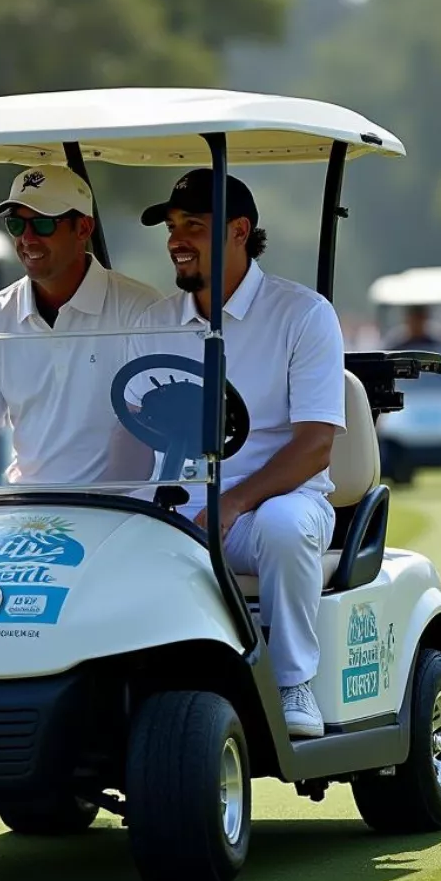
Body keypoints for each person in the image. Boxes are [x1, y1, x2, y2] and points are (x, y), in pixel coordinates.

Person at [133, 168, 345, 739]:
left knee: (283, 524)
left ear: (239, 230)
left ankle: (293, 680)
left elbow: (316, 445)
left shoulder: (302, 315)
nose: (177, 240)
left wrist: (230, 504)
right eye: (173, 227)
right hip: (179, 505)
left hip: (271, 506)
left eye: (194, 227)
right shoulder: (154, 322)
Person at [0, 165, 160, 486]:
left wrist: (103, 504)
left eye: (43, 223)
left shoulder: (141, 310)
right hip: (28, 505)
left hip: (123, 508)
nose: (27, 238)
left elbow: (138, 431)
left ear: (83, 229)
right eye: (16, 224)